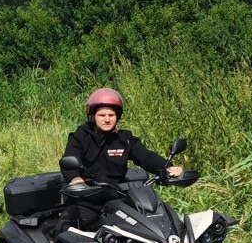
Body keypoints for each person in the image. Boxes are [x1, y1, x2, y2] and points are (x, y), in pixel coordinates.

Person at [60, 87, 180, 229]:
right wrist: (75, 178)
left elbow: (146, 157)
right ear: (92, 116)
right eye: (102, 115)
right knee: (64, 229)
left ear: (117, 116)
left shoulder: (125, 139)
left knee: (150, 230)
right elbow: (69, 159)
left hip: (117, 201)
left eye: (111, 115)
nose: (107, 119)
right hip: (85, 201)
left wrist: (167, 167)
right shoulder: (80, 137)